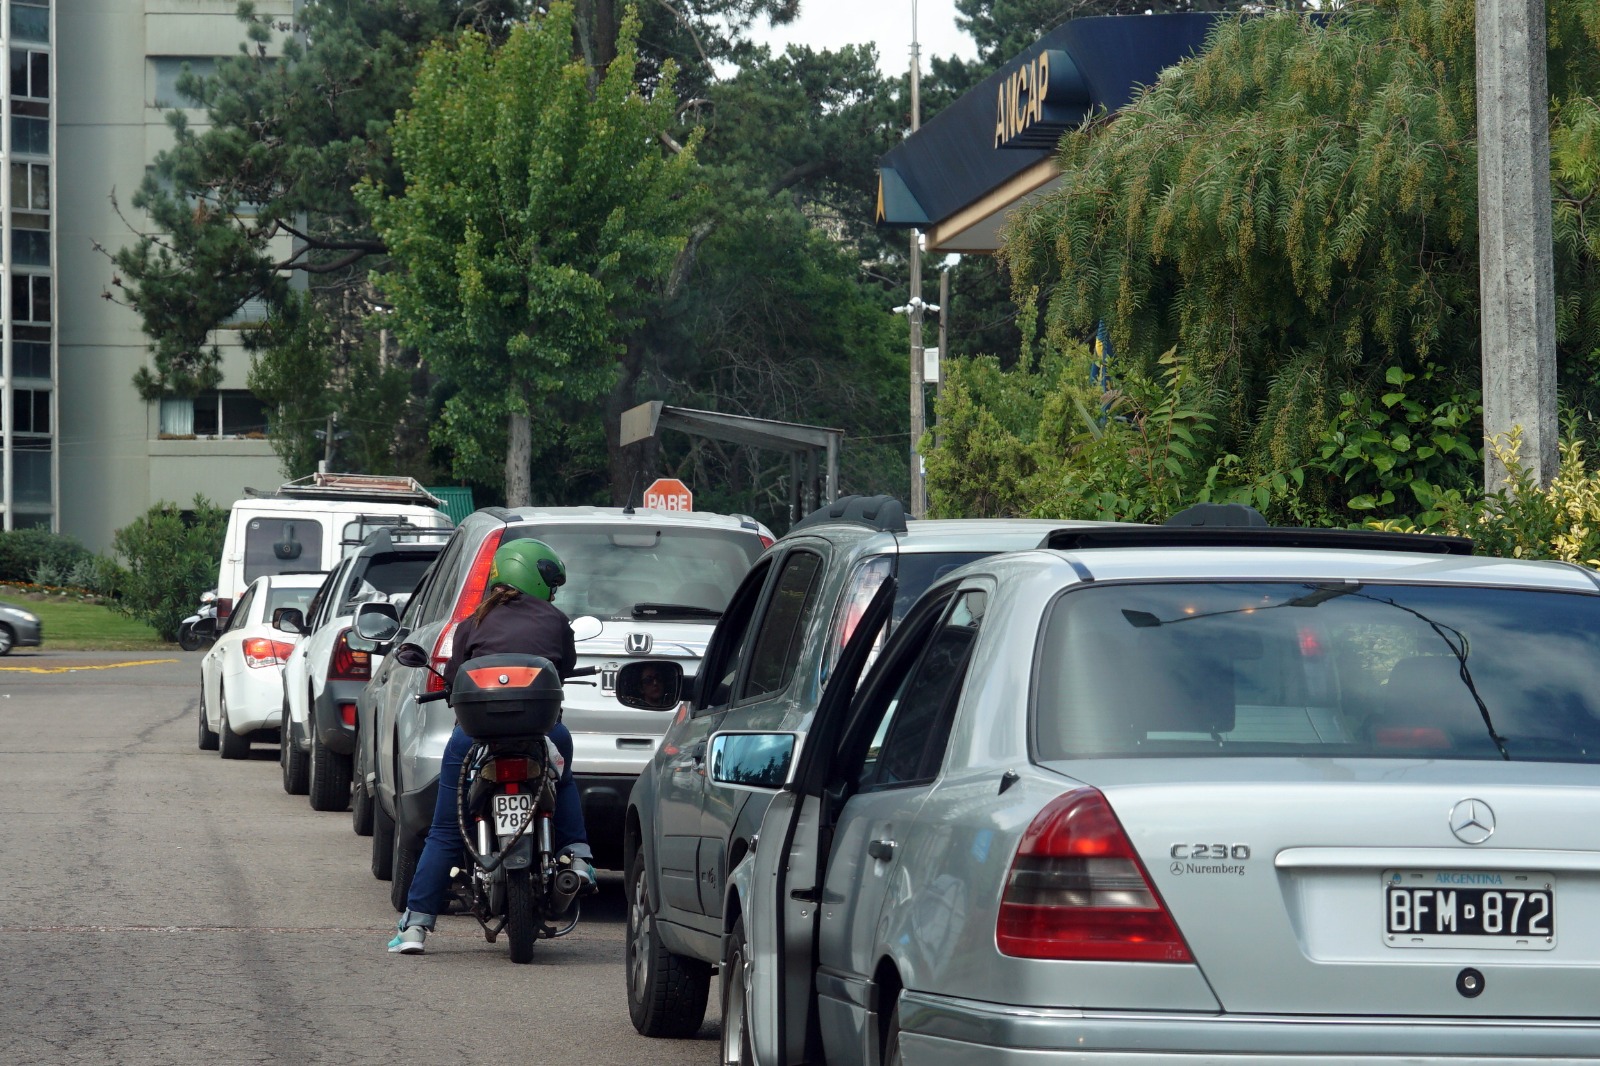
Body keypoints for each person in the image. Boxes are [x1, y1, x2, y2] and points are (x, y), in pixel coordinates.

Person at [389, 538, 596, 955]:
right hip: (542, 732)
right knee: (564, 778)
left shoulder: (472, 624)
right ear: (534, 578)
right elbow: (566, 667)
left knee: (445, 829)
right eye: (550, 584)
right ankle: (578, 856)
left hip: (474, 736)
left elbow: (453, 679)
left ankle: (415, 927)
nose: (553, 594)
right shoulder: (556, 620)